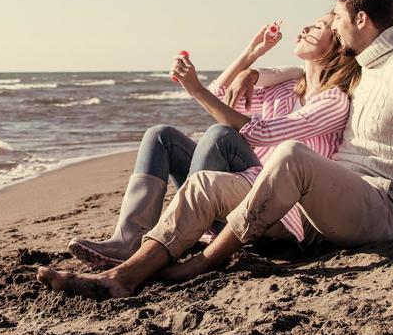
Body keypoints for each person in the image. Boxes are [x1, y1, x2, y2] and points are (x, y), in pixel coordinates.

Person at [38, 0, 393, 299]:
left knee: (287, 154)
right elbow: (308, 74)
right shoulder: (362, 72)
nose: (330, 22)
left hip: (381, 208)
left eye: (335, 17)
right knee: (204, 184)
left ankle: (204, 260)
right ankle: (124, 275)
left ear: (361, 21)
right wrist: (258, 64)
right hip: (321, 200)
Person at [65, 15, 361, 269]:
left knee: (220, 135)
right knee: (161, 135)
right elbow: (221, 98)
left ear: (336, 45)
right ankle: (128, 240)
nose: (304, 30)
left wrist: (195, 89)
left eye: (318, 27)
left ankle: (184, 233)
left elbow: (259, 133)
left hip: (275, 205)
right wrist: (251, 54)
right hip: (238, 189)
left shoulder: (333, 100)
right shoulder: (284, 89)